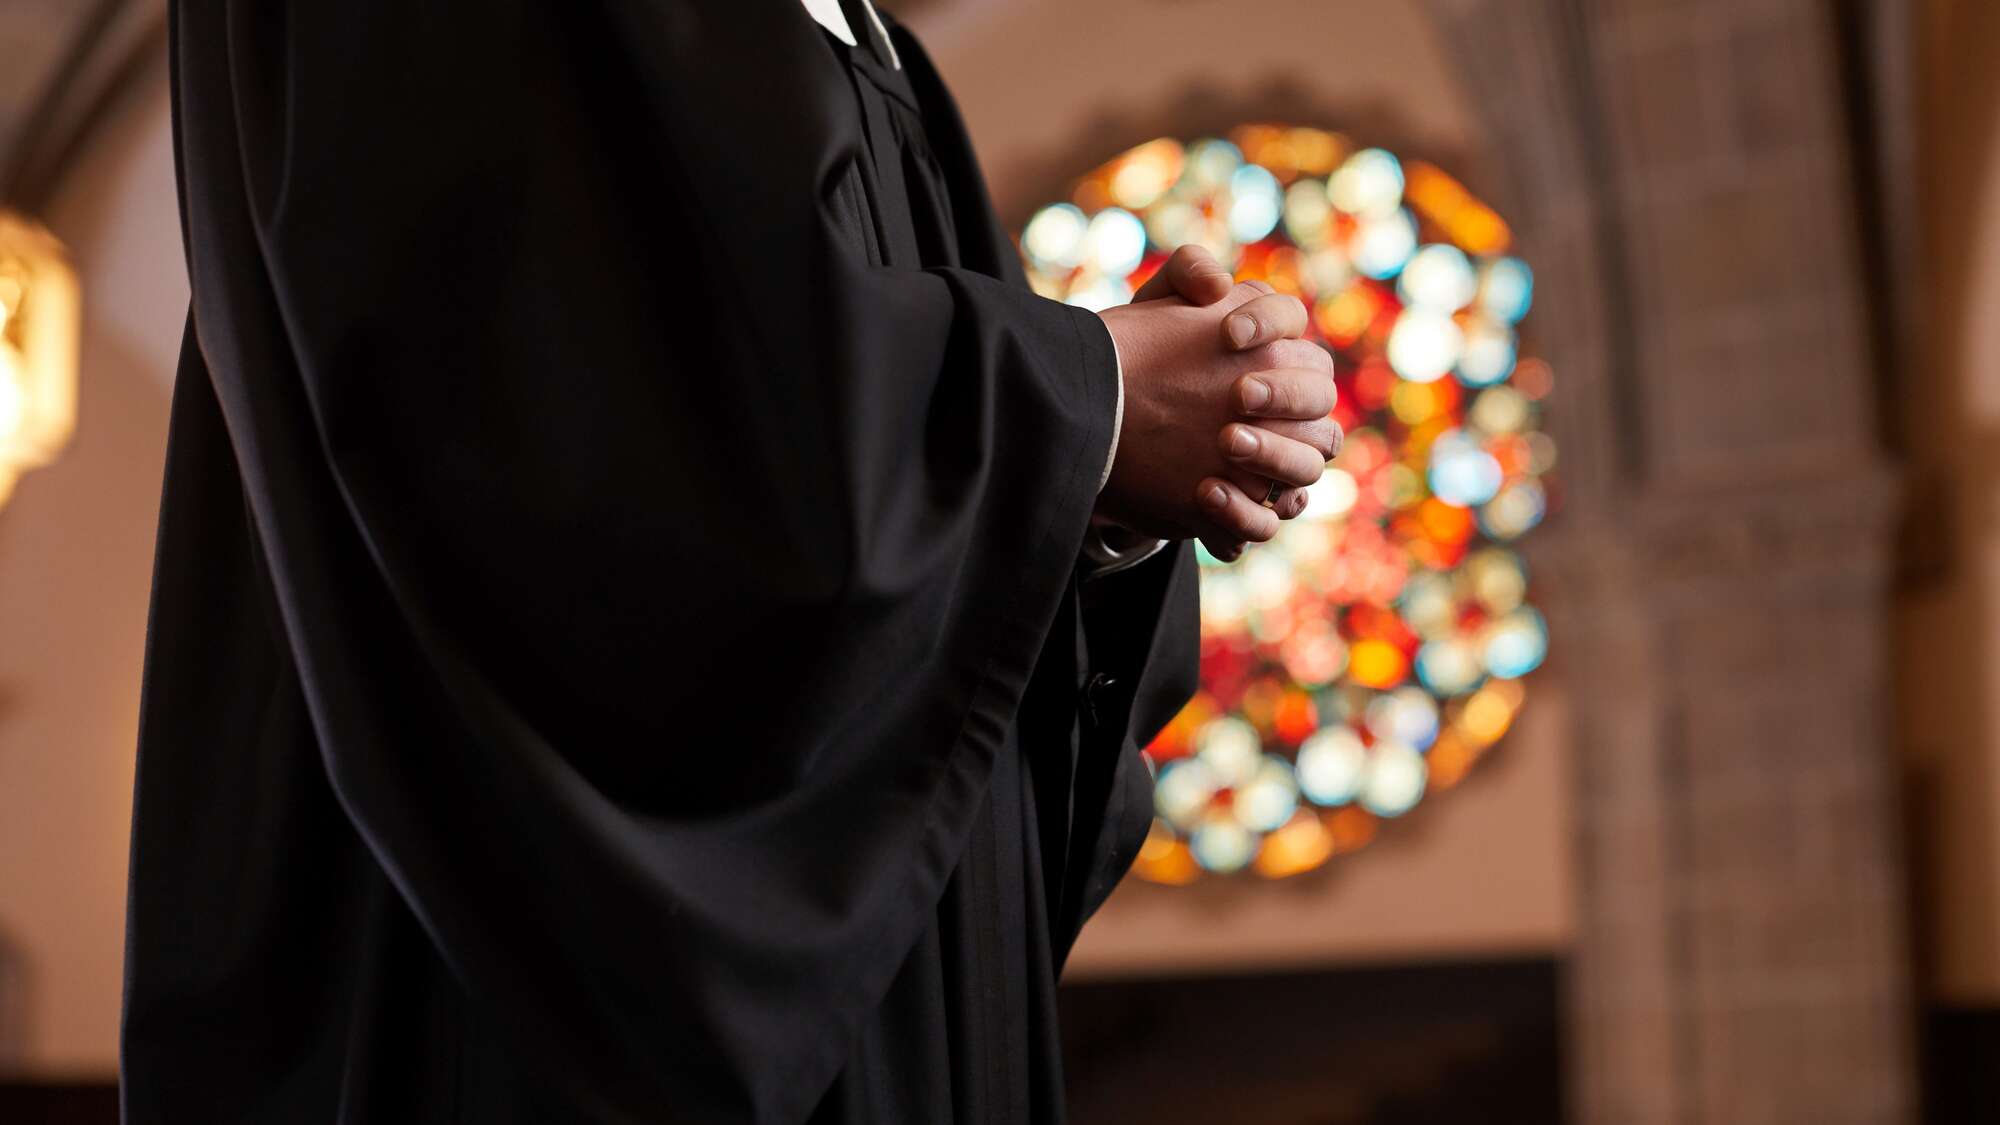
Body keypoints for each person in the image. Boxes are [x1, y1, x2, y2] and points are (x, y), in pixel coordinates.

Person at [122, 0, 1341, 1121]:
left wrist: (1100, 487)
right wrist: (1092, 402)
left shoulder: (860, 43)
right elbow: (603, 451)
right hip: (539, 1006)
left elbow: (827, 484)